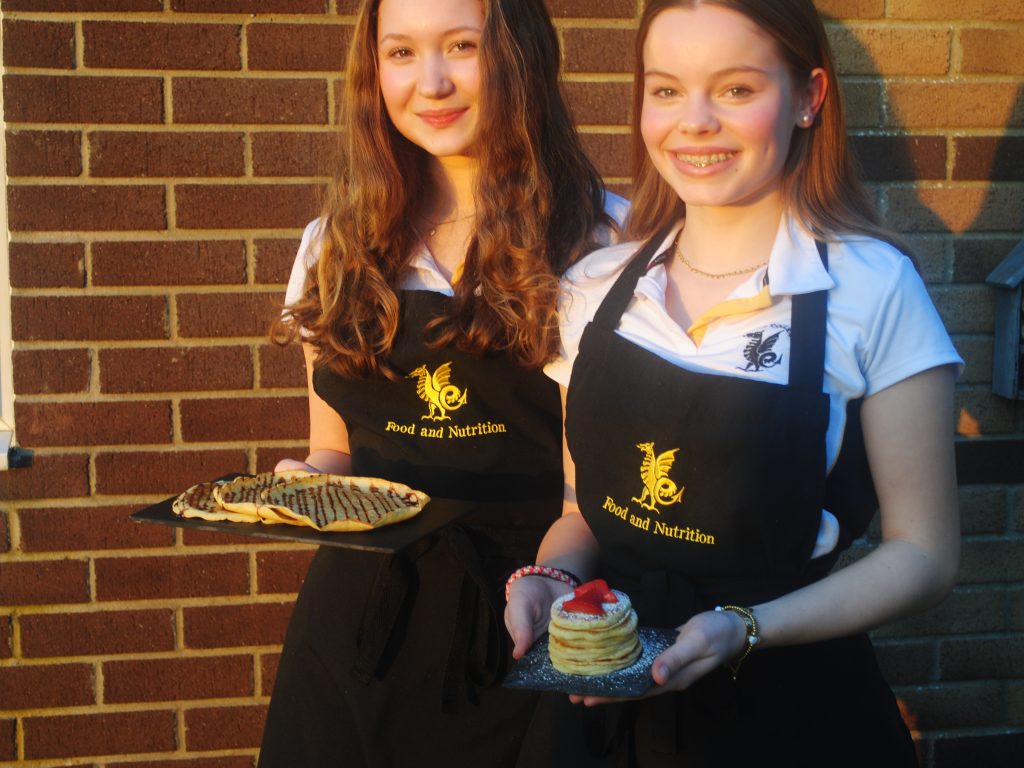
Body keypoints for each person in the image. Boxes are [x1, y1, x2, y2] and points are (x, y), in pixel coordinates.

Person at [505, 1, 962, 765]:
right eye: (667, 90)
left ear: (810, 96)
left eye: (737, 90)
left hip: (789, 709)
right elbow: (586, 509)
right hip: (602, 711)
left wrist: (743, 627)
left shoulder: (873, 289)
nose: (695, 122)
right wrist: (554, 576)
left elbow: (925, 556)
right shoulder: (592, 289)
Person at [257, 0, 626, 766]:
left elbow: (592, 497)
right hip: (360, 625)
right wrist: (300, 488)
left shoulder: (606, 243)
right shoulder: (332, 245)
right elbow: (336, 457)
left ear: (519, 56)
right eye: (401, 53)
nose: (431, 82)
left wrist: (553, 584)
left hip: (531, 612)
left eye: (462, 45)